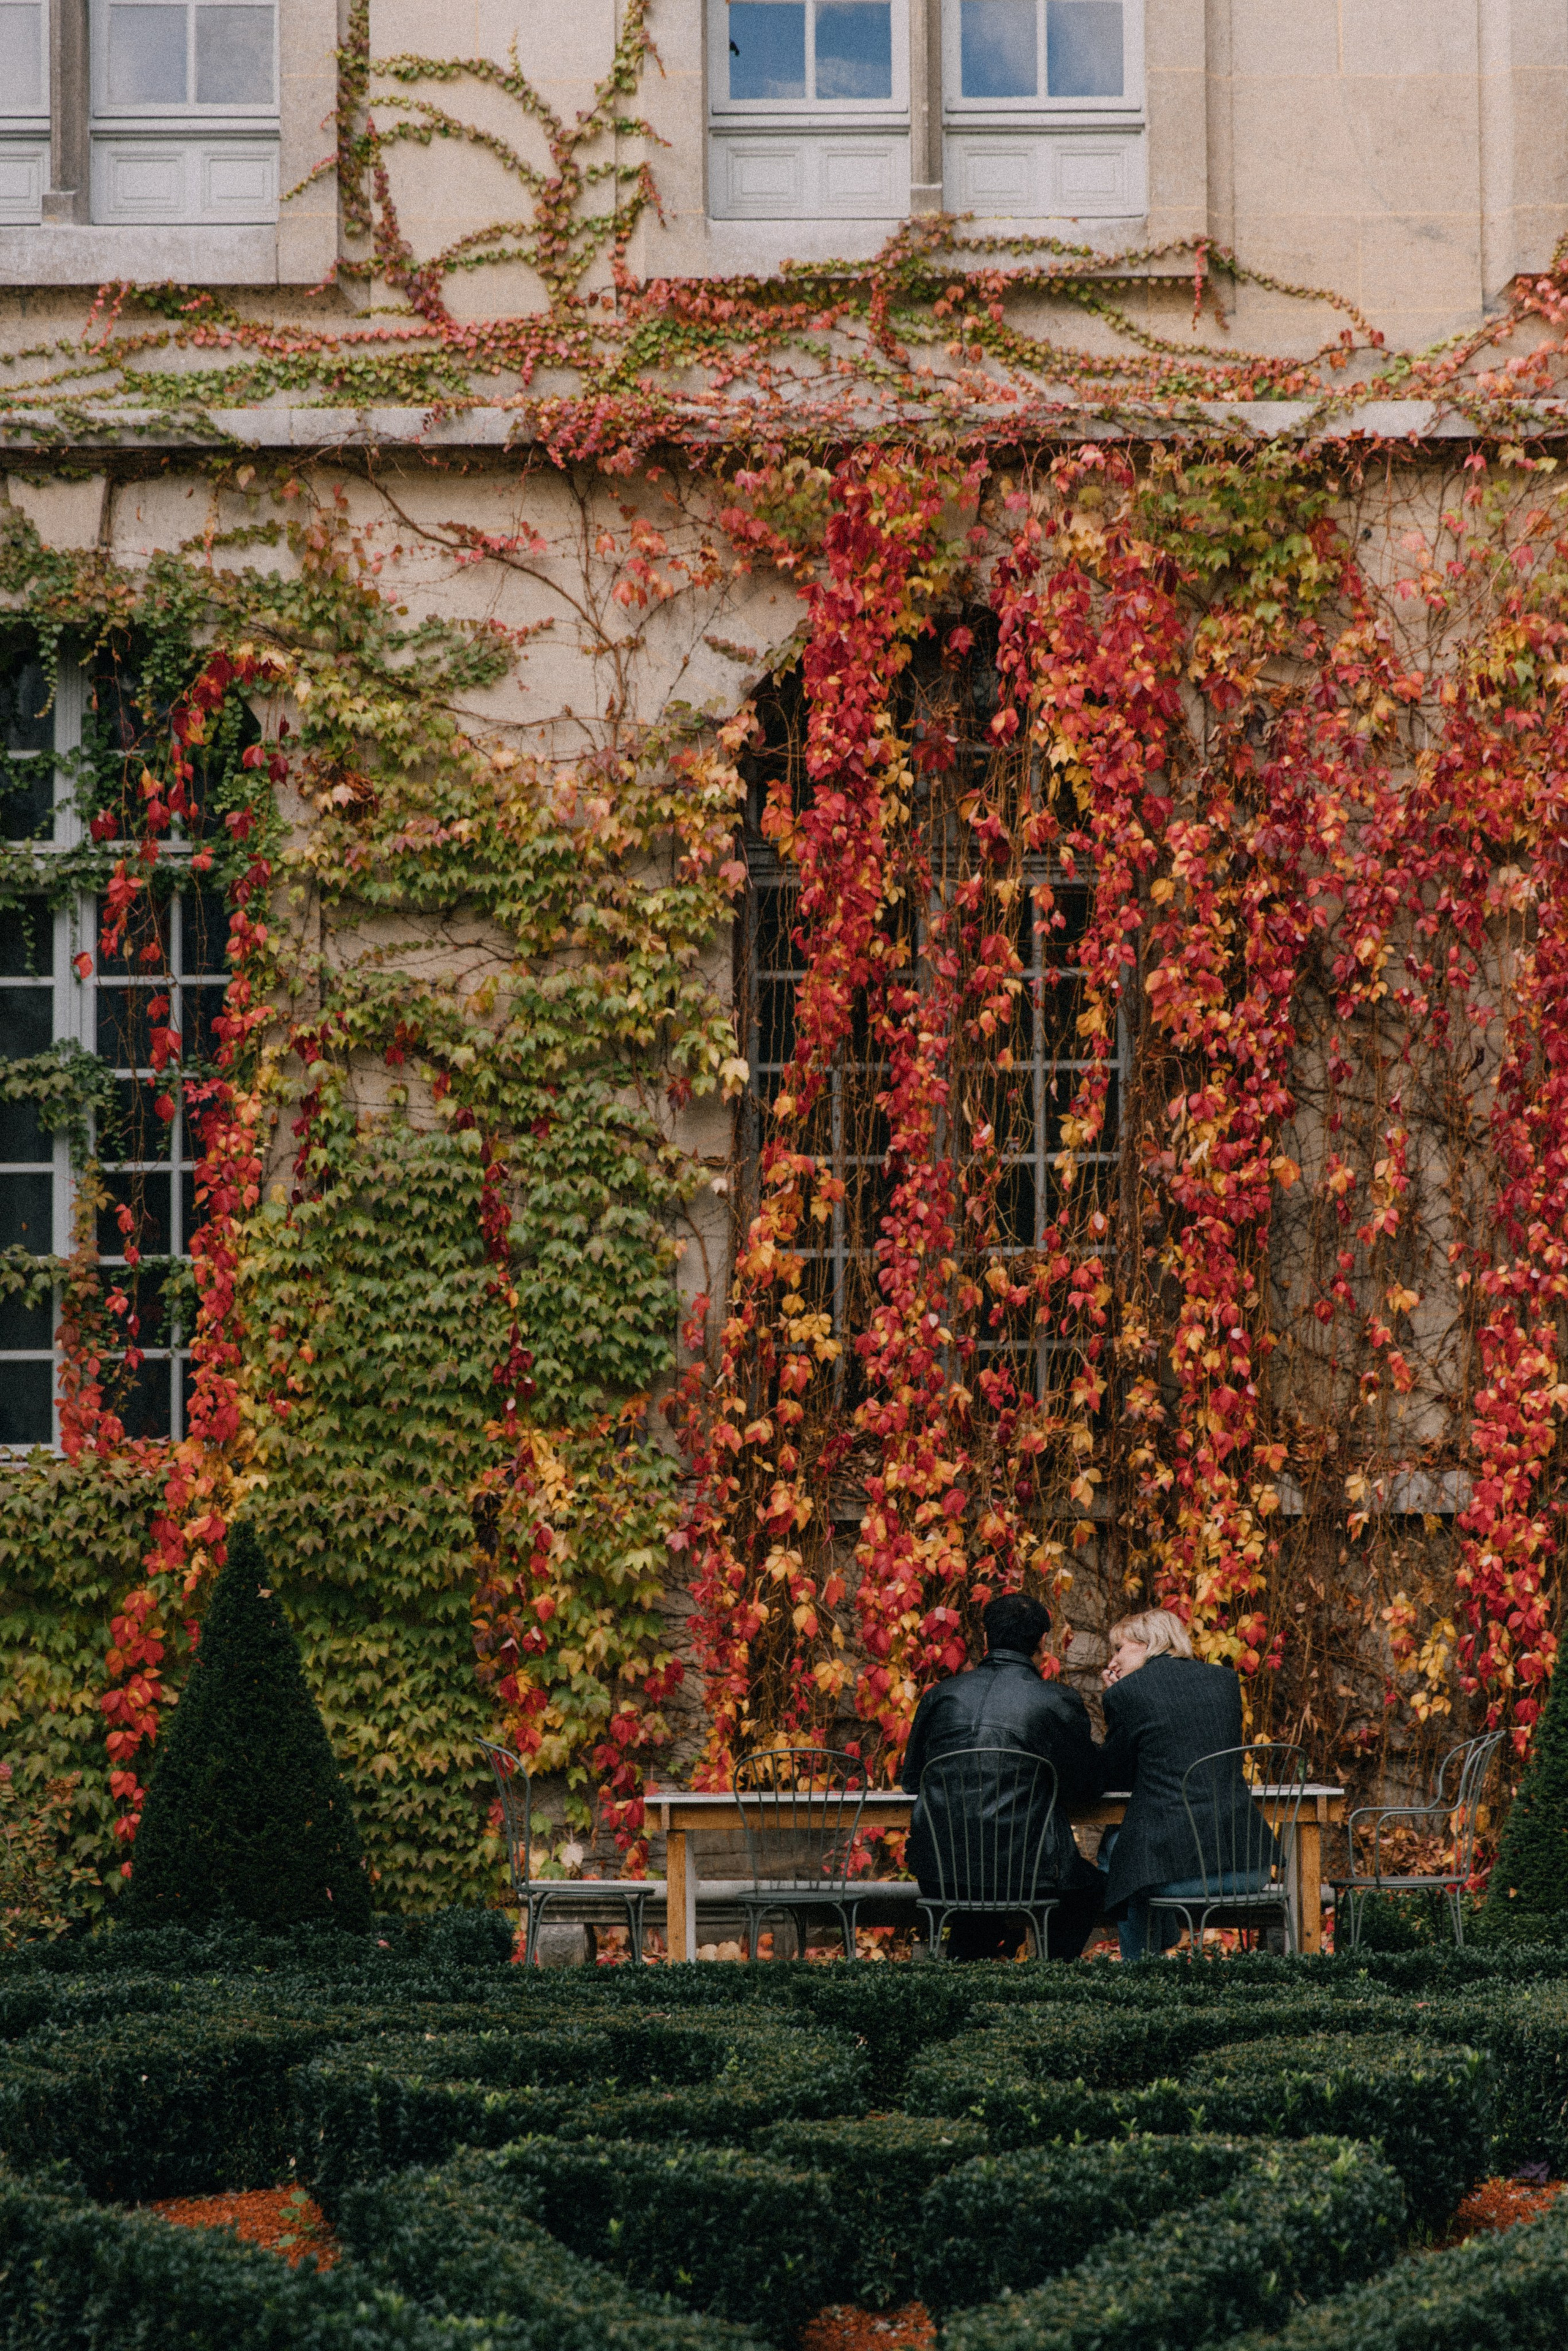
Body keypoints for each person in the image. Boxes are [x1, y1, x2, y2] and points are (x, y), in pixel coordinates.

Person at [901, 1591, 1105, 1961]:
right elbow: (1087, 1787)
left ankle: (966, 1968)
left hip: (941, 1873)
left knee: (979, 1896)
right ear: (1043, 1642)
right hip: (1028, 1873)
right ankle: (1050, 1973)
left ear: (985, 1638)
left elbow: (912, 1781)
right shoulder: (1056, 1700)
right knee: (1088, 1889)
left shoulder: (940, 1696)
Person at [1097, 1607, 1280, 1960]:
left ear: (1147, 1643)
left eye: (1119, 1649)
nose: (1113, 1660)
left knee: (1117, 1854)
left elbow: (1114, 1775)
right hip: (1249, 1868)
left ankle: (1141, 1969)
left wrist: (1119, 1696)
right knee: (1131, 1855)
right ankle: (1159, 1939)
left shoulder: (1126, 1693)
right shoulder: (1225, 1681)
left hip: (1179, 1876)